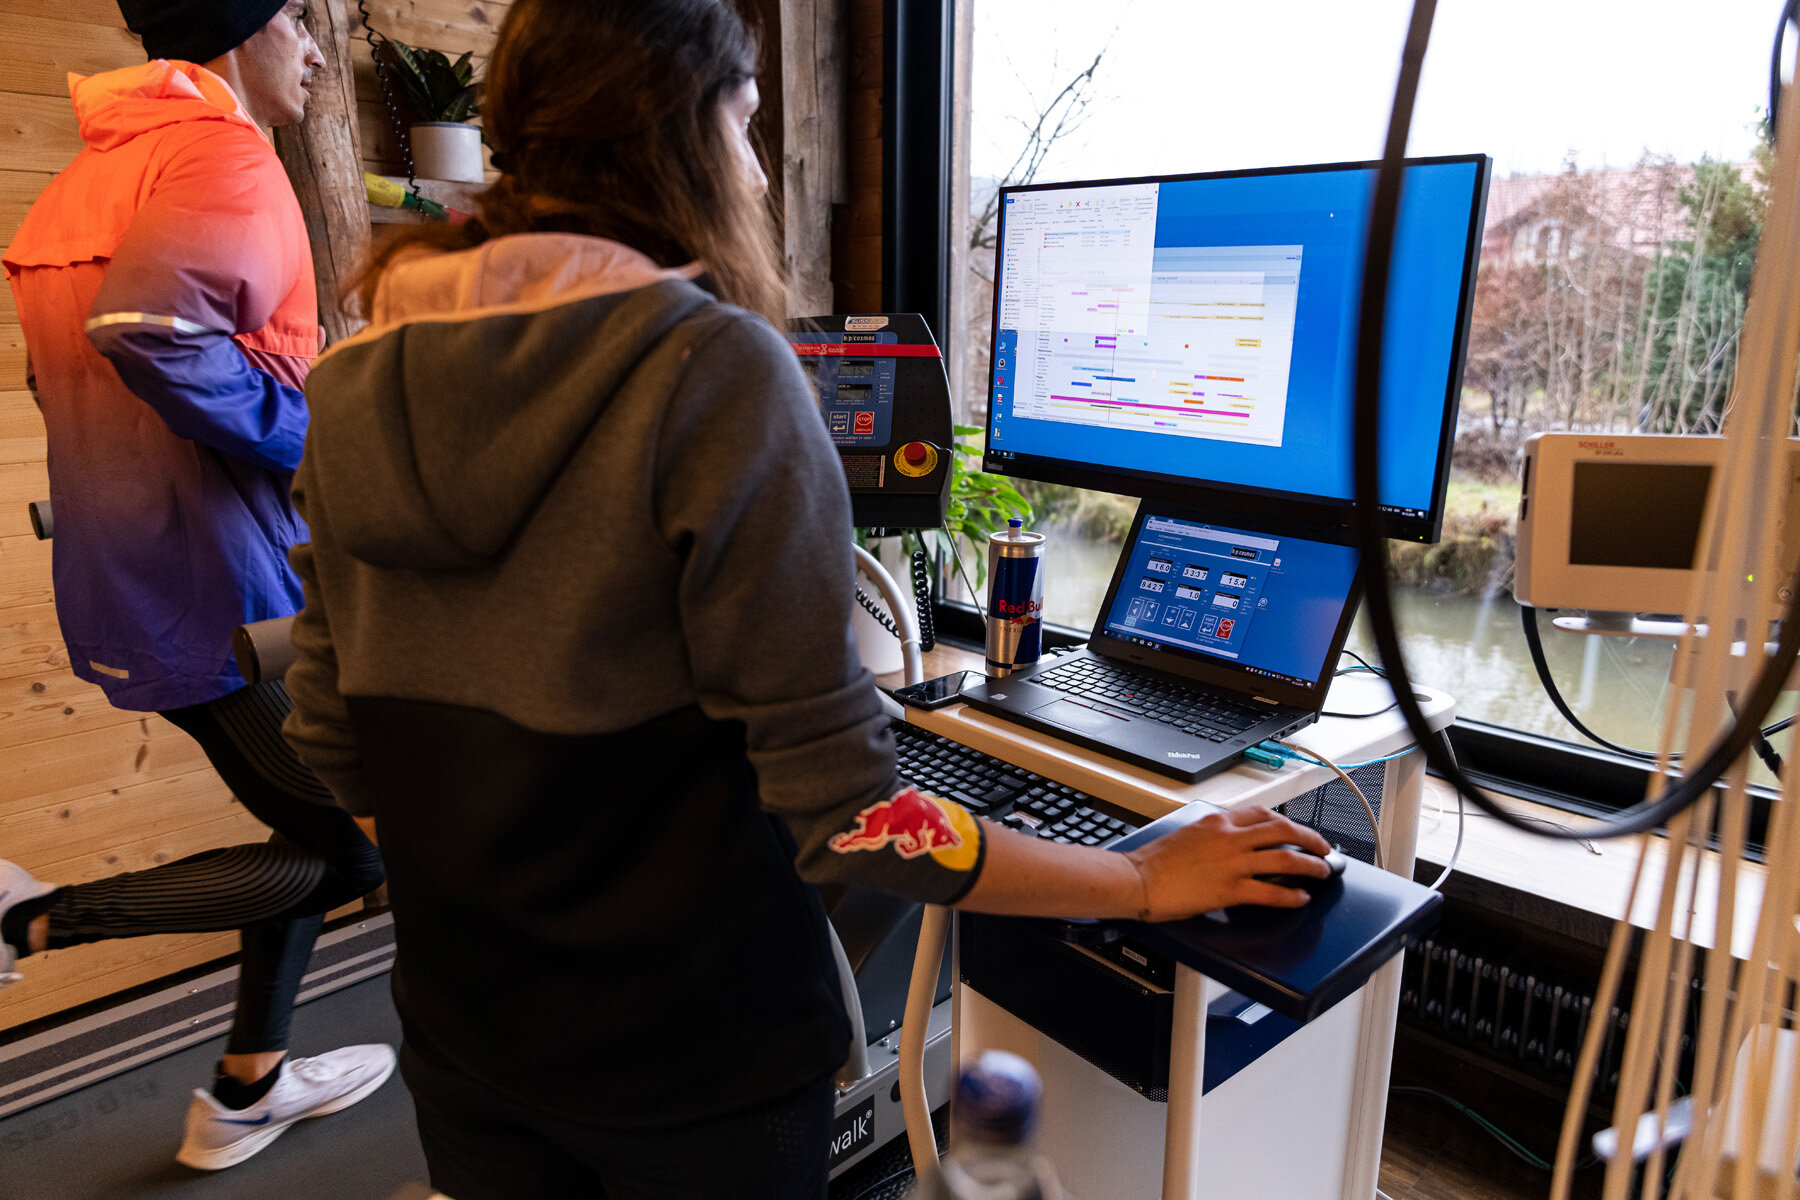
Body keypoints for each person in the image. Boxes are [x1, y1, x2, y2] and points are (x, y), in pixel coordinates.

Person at [282, 0, 1333, 1196]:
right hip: (695, 1067)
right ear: (689, 135)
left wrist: (501, 883)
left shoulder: (348, 383)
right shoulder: (714, 372)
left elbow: (330, 740)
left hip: (468, 1033)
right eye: (745, 125)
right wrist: (1143, 878)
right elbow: (858, 822)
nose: (752, 164)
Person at [0, 0, 391, 1172]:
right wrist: (315, 440)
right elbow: (144, 329)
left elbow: (54, 378)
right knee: (357, 853)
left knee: (307, 826)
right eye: (298, 21)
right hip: (231, 592)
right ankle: (29, 917)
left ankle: (248, 1085)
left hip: (137, 575)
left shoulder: (95, 174)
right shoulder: (223, 154)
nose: (316, 49)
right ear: (237, 32)